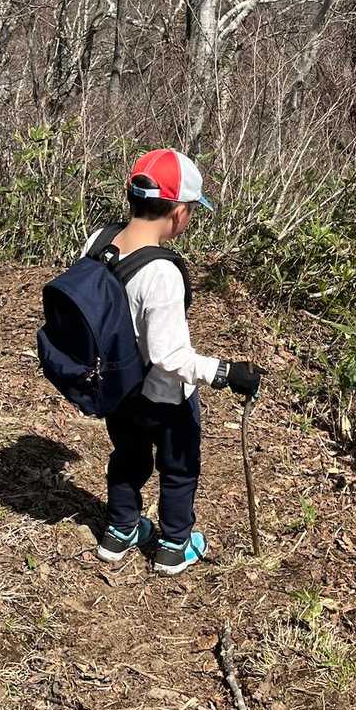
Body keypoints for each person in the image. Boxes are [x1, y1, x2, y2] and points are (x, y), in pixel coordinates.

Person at [83, 148, 261, 575]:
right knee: (178, 467)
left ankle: (120, 531)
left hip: (116, 385)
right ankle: (174, 545)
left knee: (127, 457)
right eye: (191, 211)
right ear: (179, 213)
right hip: (163, 395)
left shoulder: (99, 240)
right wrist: (227, 372)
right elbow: (168, 356)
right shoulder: (161, 273)